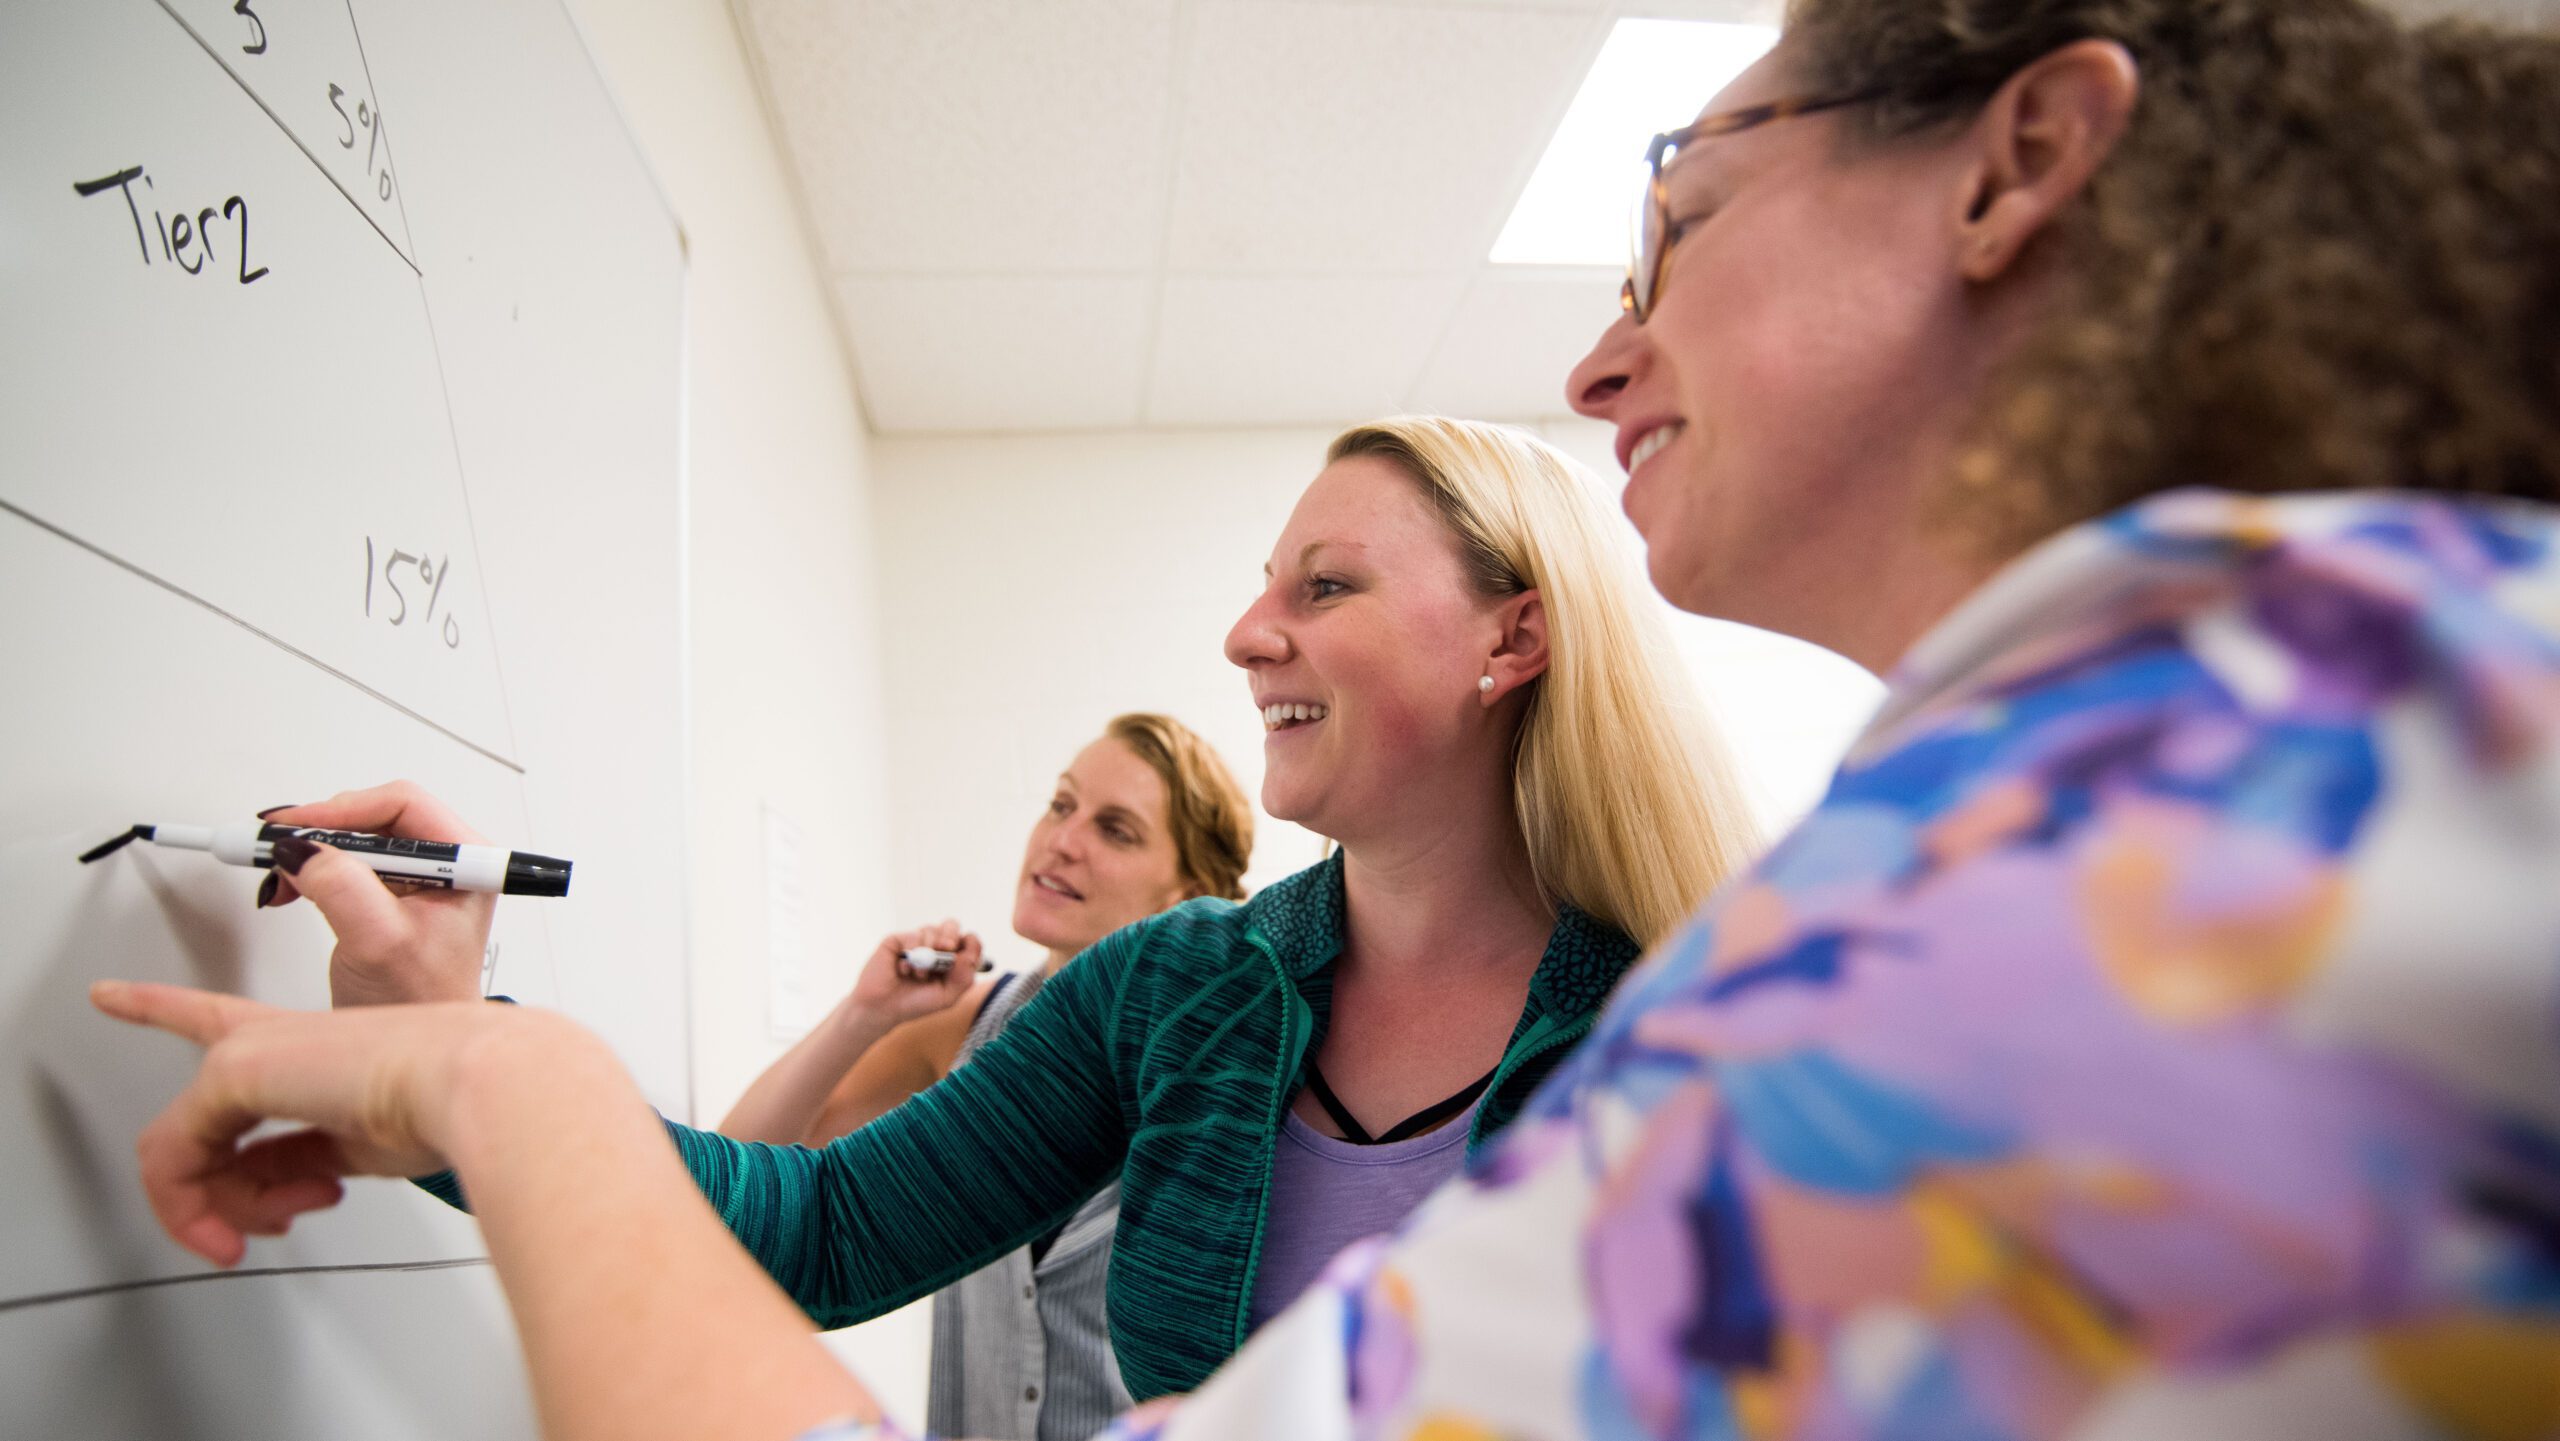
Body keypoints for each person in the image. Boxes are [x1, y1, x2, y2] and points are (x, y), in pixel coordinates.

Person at [97, 0, 2560, 1435]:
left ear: (2019, 158)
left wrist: (493, 1086)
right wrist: (461, 1042)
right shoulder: (2338, 735)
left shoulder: (2028, 903)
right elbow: (822, 1224)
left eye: (1683, 202)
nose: (1603, 347)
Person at [170, 413, 1757, 1404]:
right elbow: (824, 1223)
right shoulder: (1170, 993)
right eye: (1263, 582)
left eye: (1323, 587)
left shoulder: (1696, 1022)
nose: (1245, 633)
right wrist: (457, 1048)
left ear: (1513, 640)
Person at [717, 713, 1252, 1441]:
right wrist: (864, 1014)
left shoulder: (1212, 1082)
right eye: (1062, 805)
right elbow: (751, 1155)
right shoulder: (971, 1020)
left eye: (1116, 829)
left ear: (1184, 894)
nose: (1063, 840)